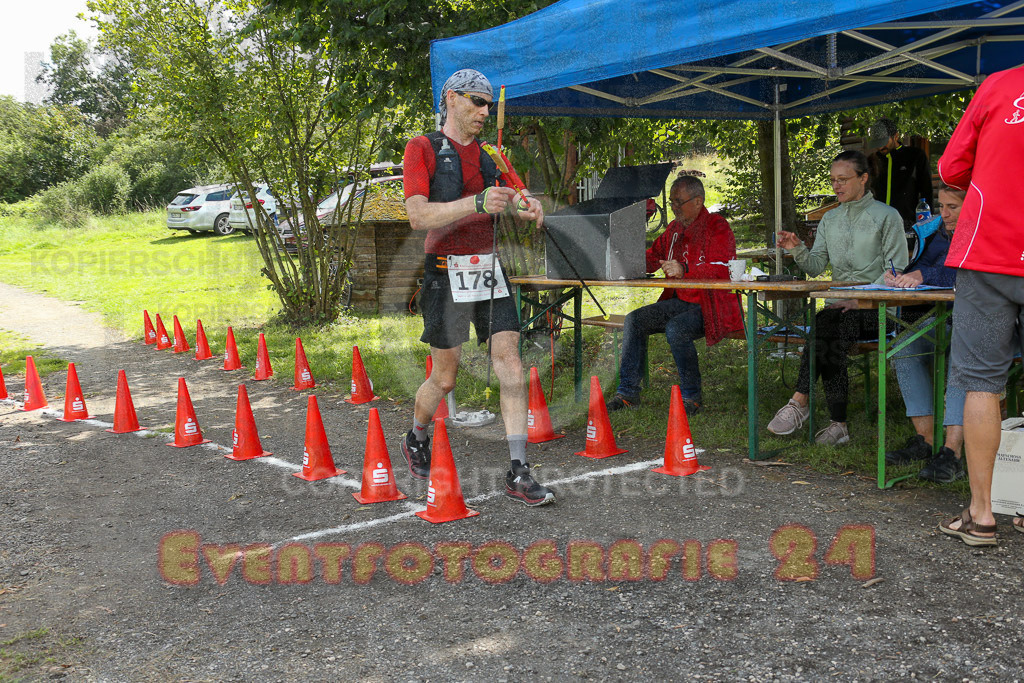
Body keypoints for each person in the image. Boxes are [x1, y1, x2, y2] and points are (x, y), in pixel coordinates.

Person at [400, 68, 554, 507]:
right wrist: (476, 202)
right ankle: (416, 436)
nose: (484, 111)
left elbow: (513, 197)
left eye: (489, 104)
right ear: (451, 98)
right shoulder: (422, 148)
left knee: (510, 362)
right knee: (445, 378)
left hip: (487, 267)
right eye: (477, 101)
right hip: (444, 270)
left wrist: (528, 205)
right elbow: (417, 216)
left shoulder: (490, 154)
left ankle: (519, 470)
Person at [937, 65, 1024, 546]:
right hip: (990, 255)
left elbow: (951, 169)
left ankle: (982, 514)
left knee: (980, 383)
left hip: (988, 252)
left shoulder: (999, 85)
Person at [767, 150, 907, 445]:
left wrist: (860, 300)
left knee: (827, 328)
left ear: (863, 178)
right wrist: (797, 248)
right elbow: (816, 266)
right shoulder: (829, 219)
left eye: (843, 179)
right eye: (833, 180)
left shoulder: (887, 216)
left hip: (879, 309)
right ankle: (835, 423)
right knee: (829, 329)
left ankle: (801, 403)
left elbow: (896, 270)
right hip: (838, 310)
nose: (836, 186)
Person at [607, 174, 743, 415]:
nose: (674, 207)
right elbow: (653, 258)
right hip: (681, 302)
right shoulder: (674, 229)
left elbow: (723, 268)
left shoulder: (717, 226)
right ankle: (627, 393)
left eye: (679, 201)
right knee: (635, 320)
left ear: (698, 201)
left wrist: (685, 269)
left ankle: (692, 397)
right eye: (671, 202)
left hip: (712, 306)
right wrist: (625, 259)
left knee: (676, 329)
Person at [883, 186, 966, 483]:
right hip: (937, 316)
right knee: (904, 347)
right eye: (941, 206)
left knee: (962, 360)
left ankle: (952, 452)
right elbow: (921, 268)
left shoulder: (985, 231)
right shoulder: (934, 232)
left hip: (979, 320)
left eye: (952, 207)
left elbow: (965, 272)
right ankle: (926, 440)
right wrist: (900, 277)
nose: (944, 214)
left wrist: (922, 276)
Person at [868, 117, 934, 227]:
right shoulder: (871, 161)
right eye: (877, 143)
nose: (880, 147)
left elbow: (927, 191)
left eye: (884, 142)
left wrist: (928, 224)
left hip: (907, 225)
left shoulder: (915, 156)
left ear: (896, 136)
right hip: (877, 226)